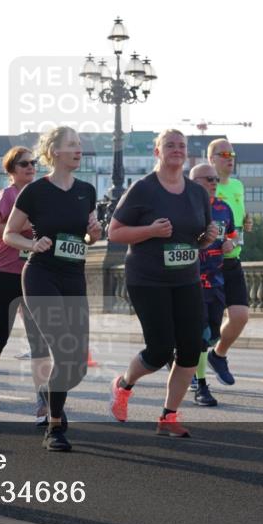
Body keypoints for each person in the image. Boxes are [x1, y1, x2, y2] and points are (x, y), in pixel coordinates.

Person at [106, 130, 216, 436]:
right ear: (158, 152)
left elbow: (197, 239)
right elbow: (113, 233)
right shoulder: (143, 189)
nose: (176, 150)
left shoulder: (196, 192)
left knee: (192, 350)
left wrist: (206, 240)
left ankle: (168, 416)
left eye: (181, 146)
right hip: (148, 279)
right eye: (170, 145)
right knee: (159, 351)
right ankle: (123, 384)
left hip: (186, 279)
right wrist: (150, 231)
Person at [4, 126, 101, 451]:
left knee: (77, 365)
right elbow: (9, 234)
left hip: (74, 277)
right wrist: (32, 243)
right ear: (54, 151)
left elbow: (88, 237)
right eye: (72, 145)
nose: (79, 150)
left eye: (79, 145)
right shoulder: (34, 191)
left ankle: (49, 392)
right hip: (41, 275)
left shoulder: (87, 190)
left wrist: (94, 233)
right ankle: (55, 427)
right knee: (63, 349)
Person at [0, 146, 51, 421]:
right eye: (24, 164)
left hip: (35, 273)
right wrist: (21, 225)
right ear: (11, 170)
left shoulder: (44, 194)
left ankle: (43, 400)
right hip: (4, 274)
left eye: (33, 163)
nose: (30, 167)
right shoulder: (8, 195)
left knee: (39, 339)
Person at [205, 138, 253, 385]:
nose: (229, 158)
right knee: (205, 327)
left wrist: (245, 224)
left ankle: (218, 355)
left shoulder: (237, 185)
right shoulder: (206, 188)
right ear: (211, 159)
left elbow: (238, 223)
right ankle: (193, 373)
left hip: (232, 260)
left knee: (240, 316)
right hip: (208, 264)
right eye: (223, 154)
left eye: (232, 154)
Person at [188, 163, 235, 407]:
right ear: (194, 181)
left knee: (214, 333)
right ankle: (202, 385)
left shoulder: (223, 208)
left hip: (216, 280)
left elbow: (232, 235)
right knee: (202, 334)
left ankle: (183, 358)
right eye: (208, 179)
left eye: (215, 179)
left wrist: (229, 244)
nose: (214, 182)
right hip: (191, 279)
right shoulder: (185, 207)